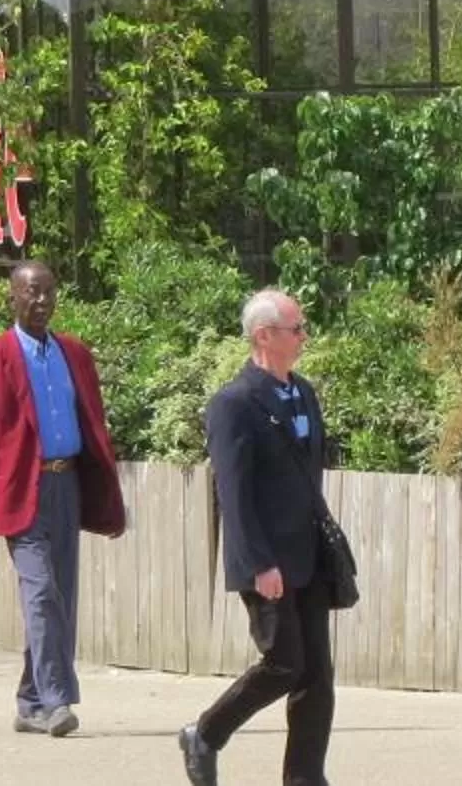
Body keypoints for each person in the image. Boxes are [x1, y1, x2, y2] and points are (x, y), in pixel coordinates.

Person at [0, 259, 126, 738]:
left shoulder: (75, 354)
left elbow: (95, 427)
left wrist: (108, 498)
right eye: (31, 292)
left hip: (67, 485)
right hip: (18, 490)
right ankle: (56, 702)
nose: (42, 300)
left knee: (61, 597)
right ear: (12, 297)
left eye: (49, 291)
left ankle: (30, 701)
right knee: (40, 594)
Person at [181, 288, 338, 786]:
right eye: (296, 328)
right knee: (284, 664)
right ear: (264, 335)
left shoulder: (304, 392)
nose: (304, 335)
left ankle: (305, 779)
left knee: (317, 676)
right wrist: (257, 563)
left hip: (309, 553)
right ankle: (205, 733)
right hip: (266, 558)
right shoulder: (233, 403)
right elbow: (233, 491)